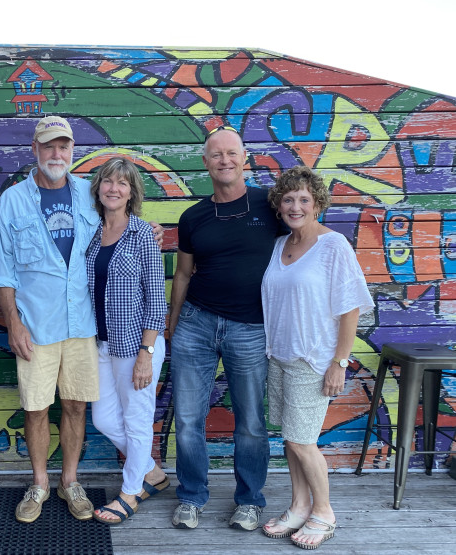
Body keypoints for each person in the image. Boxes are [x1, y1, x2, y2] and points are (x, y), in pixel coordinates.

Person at [0, 116, 162, 524]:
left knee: (77, 408)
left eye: (63, 147)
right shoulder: (12, 200)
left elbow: (123, 227)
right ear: (34, 150)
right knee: (34, 409)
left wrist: (147, 230)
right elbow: (2, 271)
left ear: (72, 152)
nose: (56, 154)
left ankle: (70, 481)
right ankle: (39, 484)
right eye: (48, 146)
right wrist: (13, 324)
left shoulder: (90, 193)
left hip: (84, 328)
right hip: (36, 326)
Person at [168, 125, 286, 531]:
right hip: (196, 325)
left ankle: (250, 500)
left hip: (251, 328)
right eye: (216, 154)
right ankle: (191, 496)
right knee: (187, 418)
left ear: (244, 158)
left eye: (231, 153)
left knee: (251, 421)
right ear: (205, 162)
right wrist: (172, 323)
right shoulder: (193, 216)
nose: (224, 160)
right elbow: (183, 274)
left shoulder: (270, 207)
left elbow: (304, 246)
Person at [260, 166, 373, 549]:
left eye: (304, 200)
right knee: (291, 439)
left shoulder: (333, 245)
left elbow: (351, 308)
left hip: (314, 360)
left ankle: (323, 512)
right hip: (280, 356)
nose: (295, 206)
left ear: (317, 204)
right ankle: (298, 505)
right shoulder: (279, 246)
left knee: (304, 441)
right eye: (288, 199)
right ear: (279, 205)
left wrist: (339, 362)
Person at [86, 158, 169, 524]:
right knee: (104, 419)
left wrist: (146, 354)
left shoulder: (142, 236)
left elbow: (157, 300)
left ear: (132, 192)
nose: (114, 188)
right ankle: (152, 471)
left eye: (122, 183)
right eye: (107, 182)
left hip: (137, 345)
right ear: (98, 188)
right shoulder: (92, 232)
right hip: (101, 345)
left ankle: (130, 492)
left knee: (137, 421)